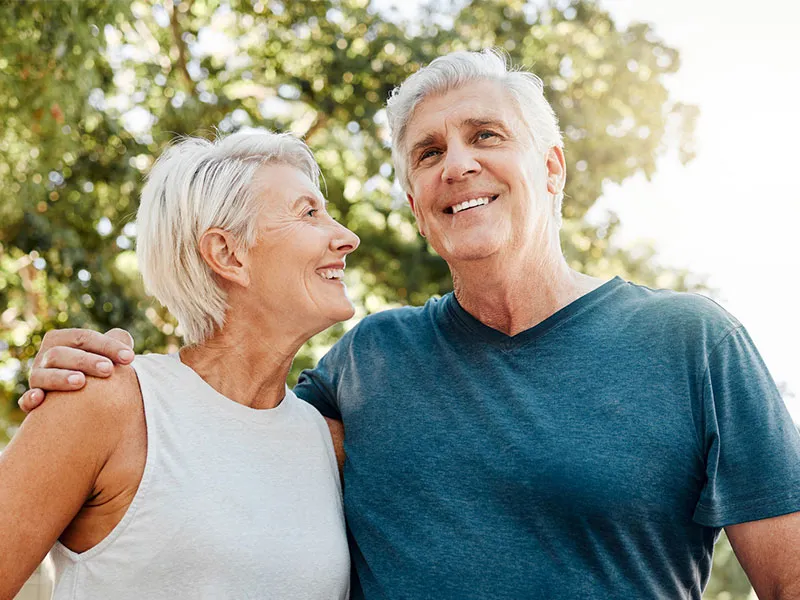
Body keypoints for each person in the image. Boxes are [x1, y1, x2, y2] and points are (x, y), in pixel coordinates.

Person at [20, 50, 800, 599]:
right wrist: (81, 368)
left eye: (485, 136)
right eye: (428, 153)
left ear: (553, 167)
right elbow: (212, 425)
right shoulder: (368, 365)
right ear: (417, 206)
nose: (456, 164)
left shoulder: (695, 344)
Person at [2, 130, 360, 599]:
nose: (347, 237)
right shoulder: (105, 403)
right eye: (308, 213)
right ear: (228, 254)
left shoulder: (327, 442)